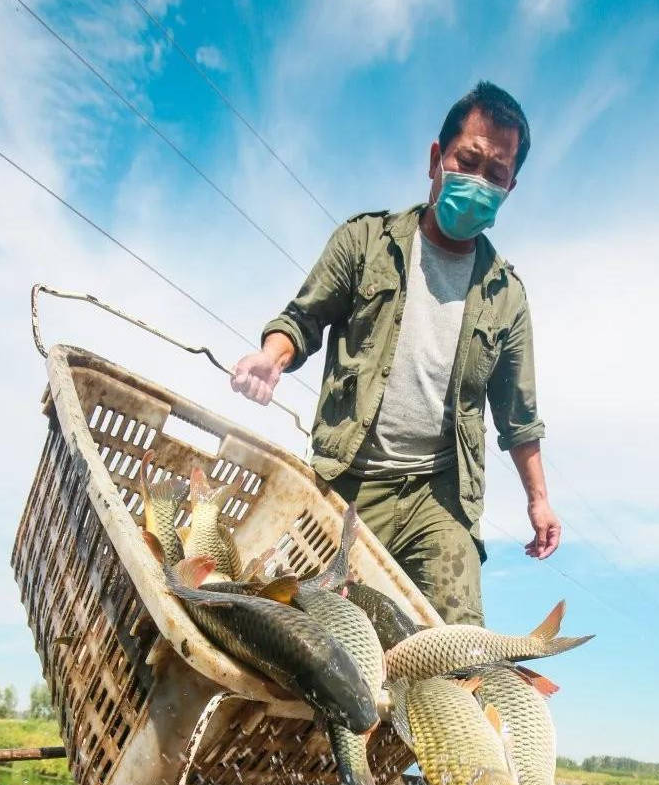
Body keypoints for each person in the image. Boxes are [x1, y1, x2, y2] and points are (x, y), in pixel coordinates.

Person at [230, 81, 561, 625]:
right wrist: (273, 355)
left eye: (494, 175)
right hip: (349, 485)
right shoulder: (365, 243)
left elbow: (519, 418)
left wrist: (539, 501)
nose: (478, 182)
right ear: (437, 159)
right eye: (467, 161)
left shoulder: (507, 297)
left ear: (510, 187)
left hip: (440, 500)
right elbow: (302, 320)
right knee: (298, 631)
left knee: (458, 650)